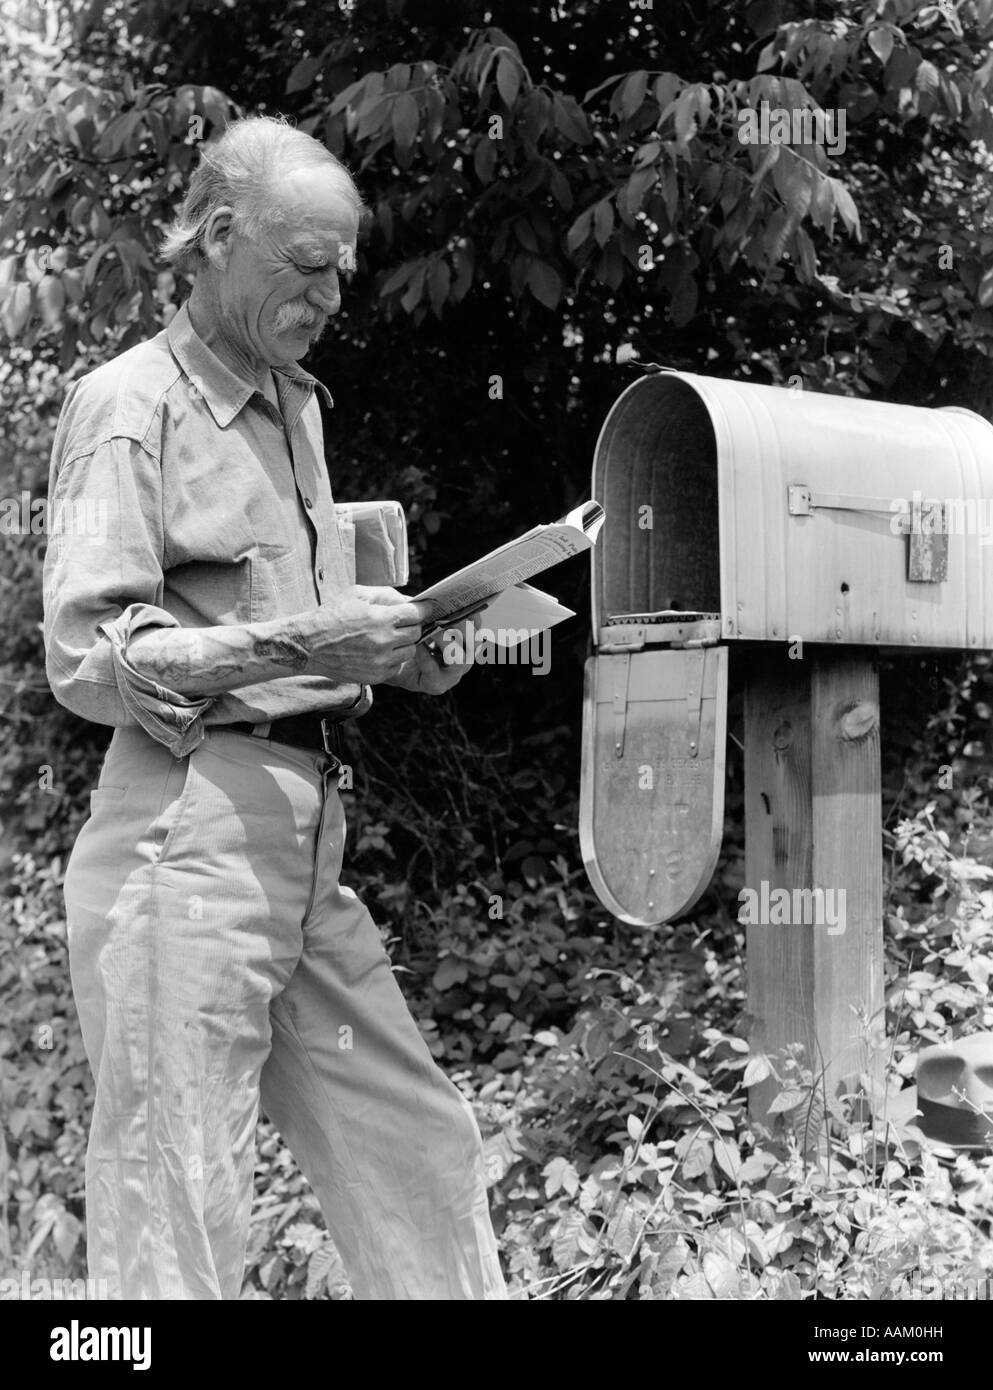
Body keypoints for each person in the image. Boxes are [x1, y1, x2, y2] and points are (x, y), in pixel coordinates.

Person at [42, 115, 507, 1301]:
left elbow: (296, 635)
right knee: (179, 1195)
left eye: (344, 268)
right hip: (184, 838)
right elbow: (89, 653)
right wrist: (313, 637)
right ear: (214, 238)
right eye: (307, 265)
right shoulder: (127, 405)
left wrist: (395, 656)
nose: (333, 292)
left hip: (305, 841)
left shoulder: (294, 402)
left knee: (414, 1145)